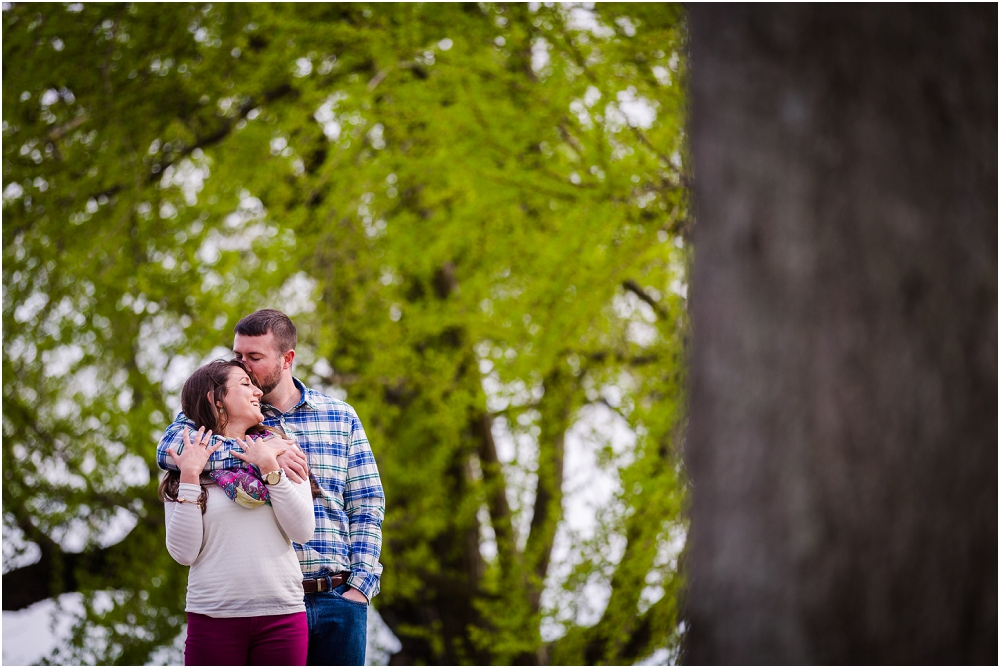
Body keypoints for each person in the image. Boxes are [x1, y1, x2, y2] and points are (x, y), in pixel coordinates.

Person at [157, 309, 384, 666]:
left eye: (254, 358)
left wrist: (361, 587)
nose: (244, 366)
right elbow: (170, 451)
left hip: (336, 598)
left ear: (287, 359)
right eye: (238, 356)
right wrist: (260, 453)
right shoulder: (227, 407)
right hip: (259, 601)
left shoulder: (340, 416)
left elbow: (367, 504)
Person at [161, 359, 315, 665]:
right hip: (213, 617)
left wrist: (269, 466)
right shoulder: (185, 461)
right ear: (215, 399)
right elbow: (184, 553)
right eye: (245, 384)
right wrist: (191, 477)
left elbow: (302, 531)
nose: (257, 391)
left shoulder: (282, 450)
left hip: (282, 616)